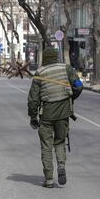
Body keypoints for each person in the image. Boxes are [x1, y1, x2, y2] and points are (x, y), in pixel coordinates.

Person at [28, 47, 83, 188]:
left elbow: (33, 100)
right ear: (56, 57)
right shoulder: (67, 68)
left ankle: (48, 179)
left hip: (46, 114)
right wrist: (71, 98)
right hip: (64, 113)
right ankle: (61, 164)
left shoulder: (39, 73)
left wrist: (33, 117)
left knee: (46, 145)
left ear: (44, 58)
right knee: (60, 141)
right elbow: (79, 85)